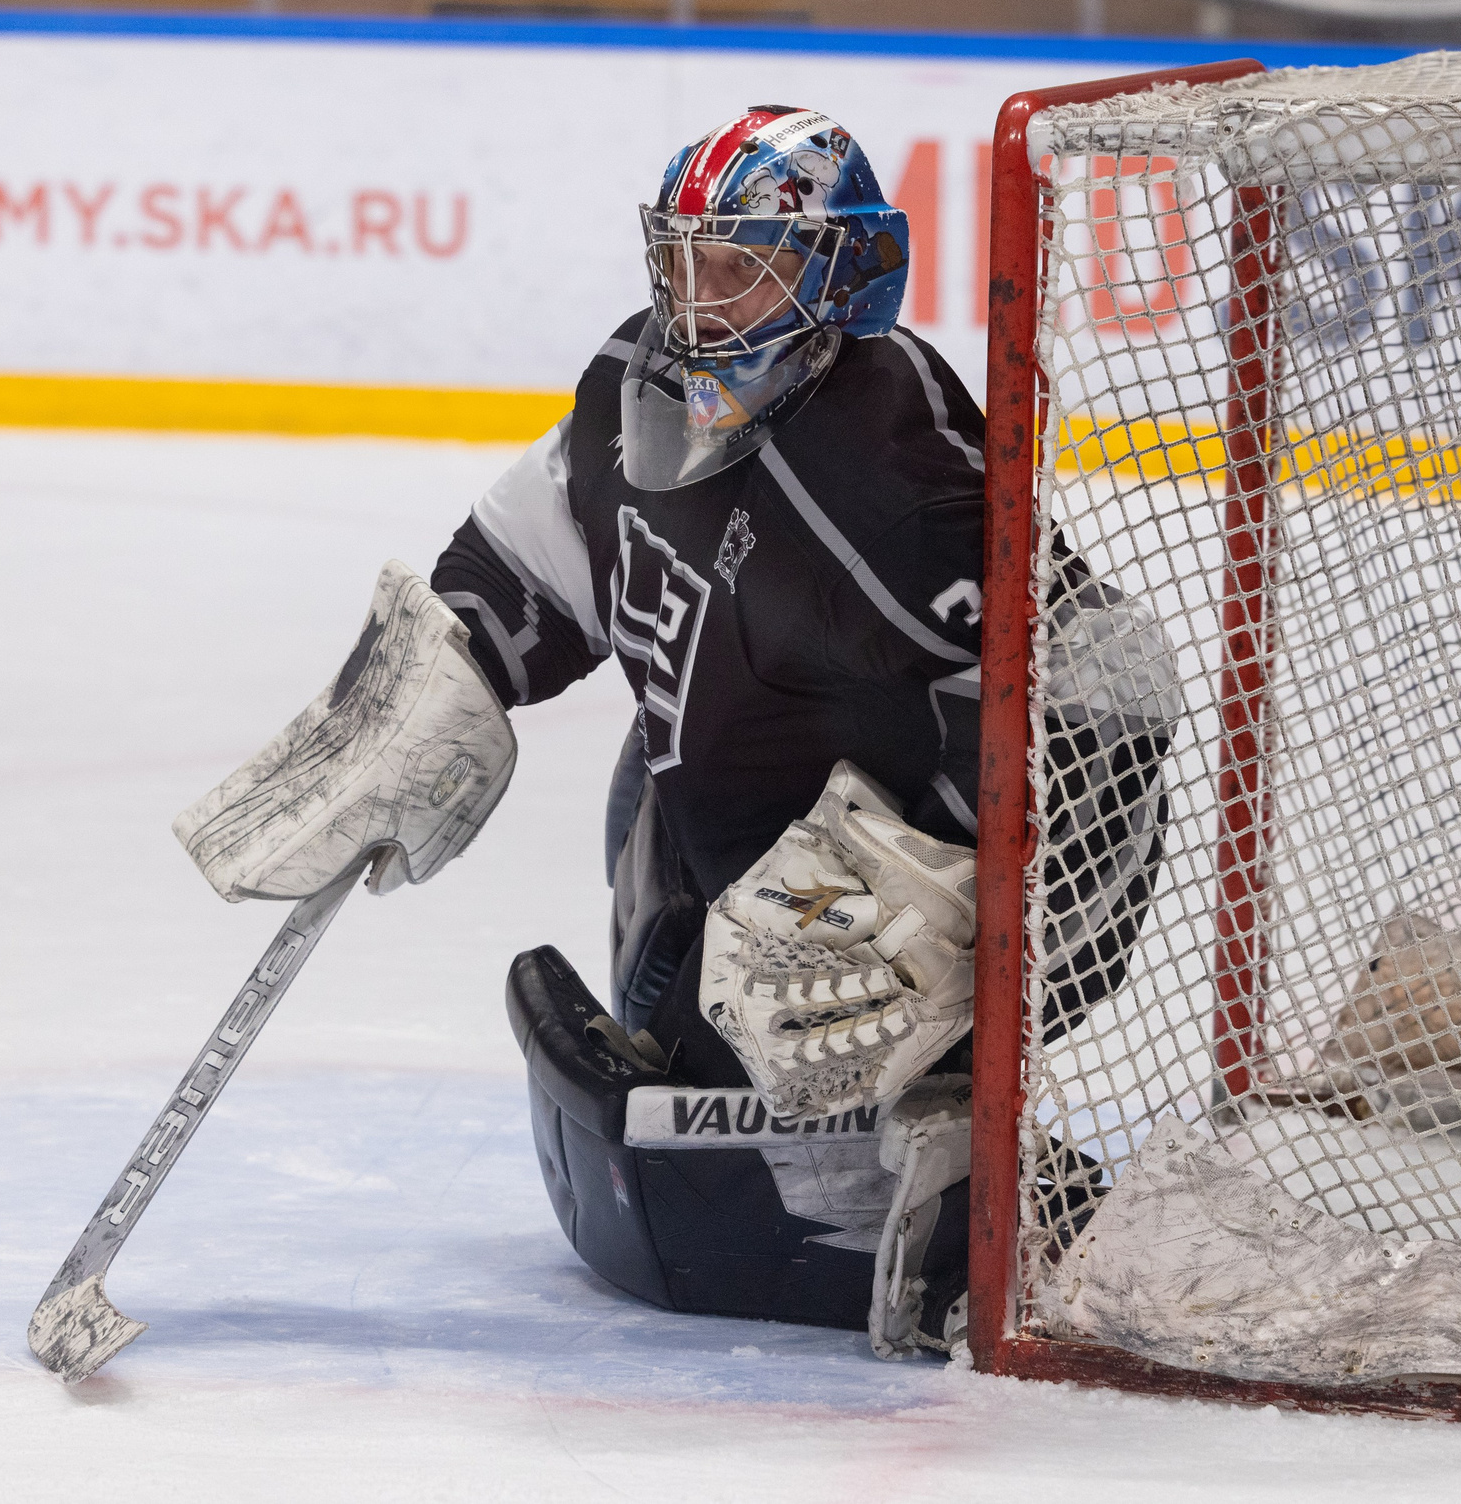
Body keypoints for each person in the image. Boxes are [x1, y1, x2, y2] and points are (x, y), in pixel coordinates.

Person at [173, 106, 1173, 1360]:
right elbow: (534, 548)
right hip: (733, 832)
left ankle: (933, 1128)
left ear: (841, 275)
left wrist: (979, 922)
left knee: (734, 1165)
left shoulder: (890, 477)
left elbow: (1110, 681)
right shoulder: (631, 385)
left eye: (743, 268)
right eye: (685, 261)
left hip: (859, 896)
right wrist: (433, 682)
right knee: (650, 806)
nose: (699, 304)